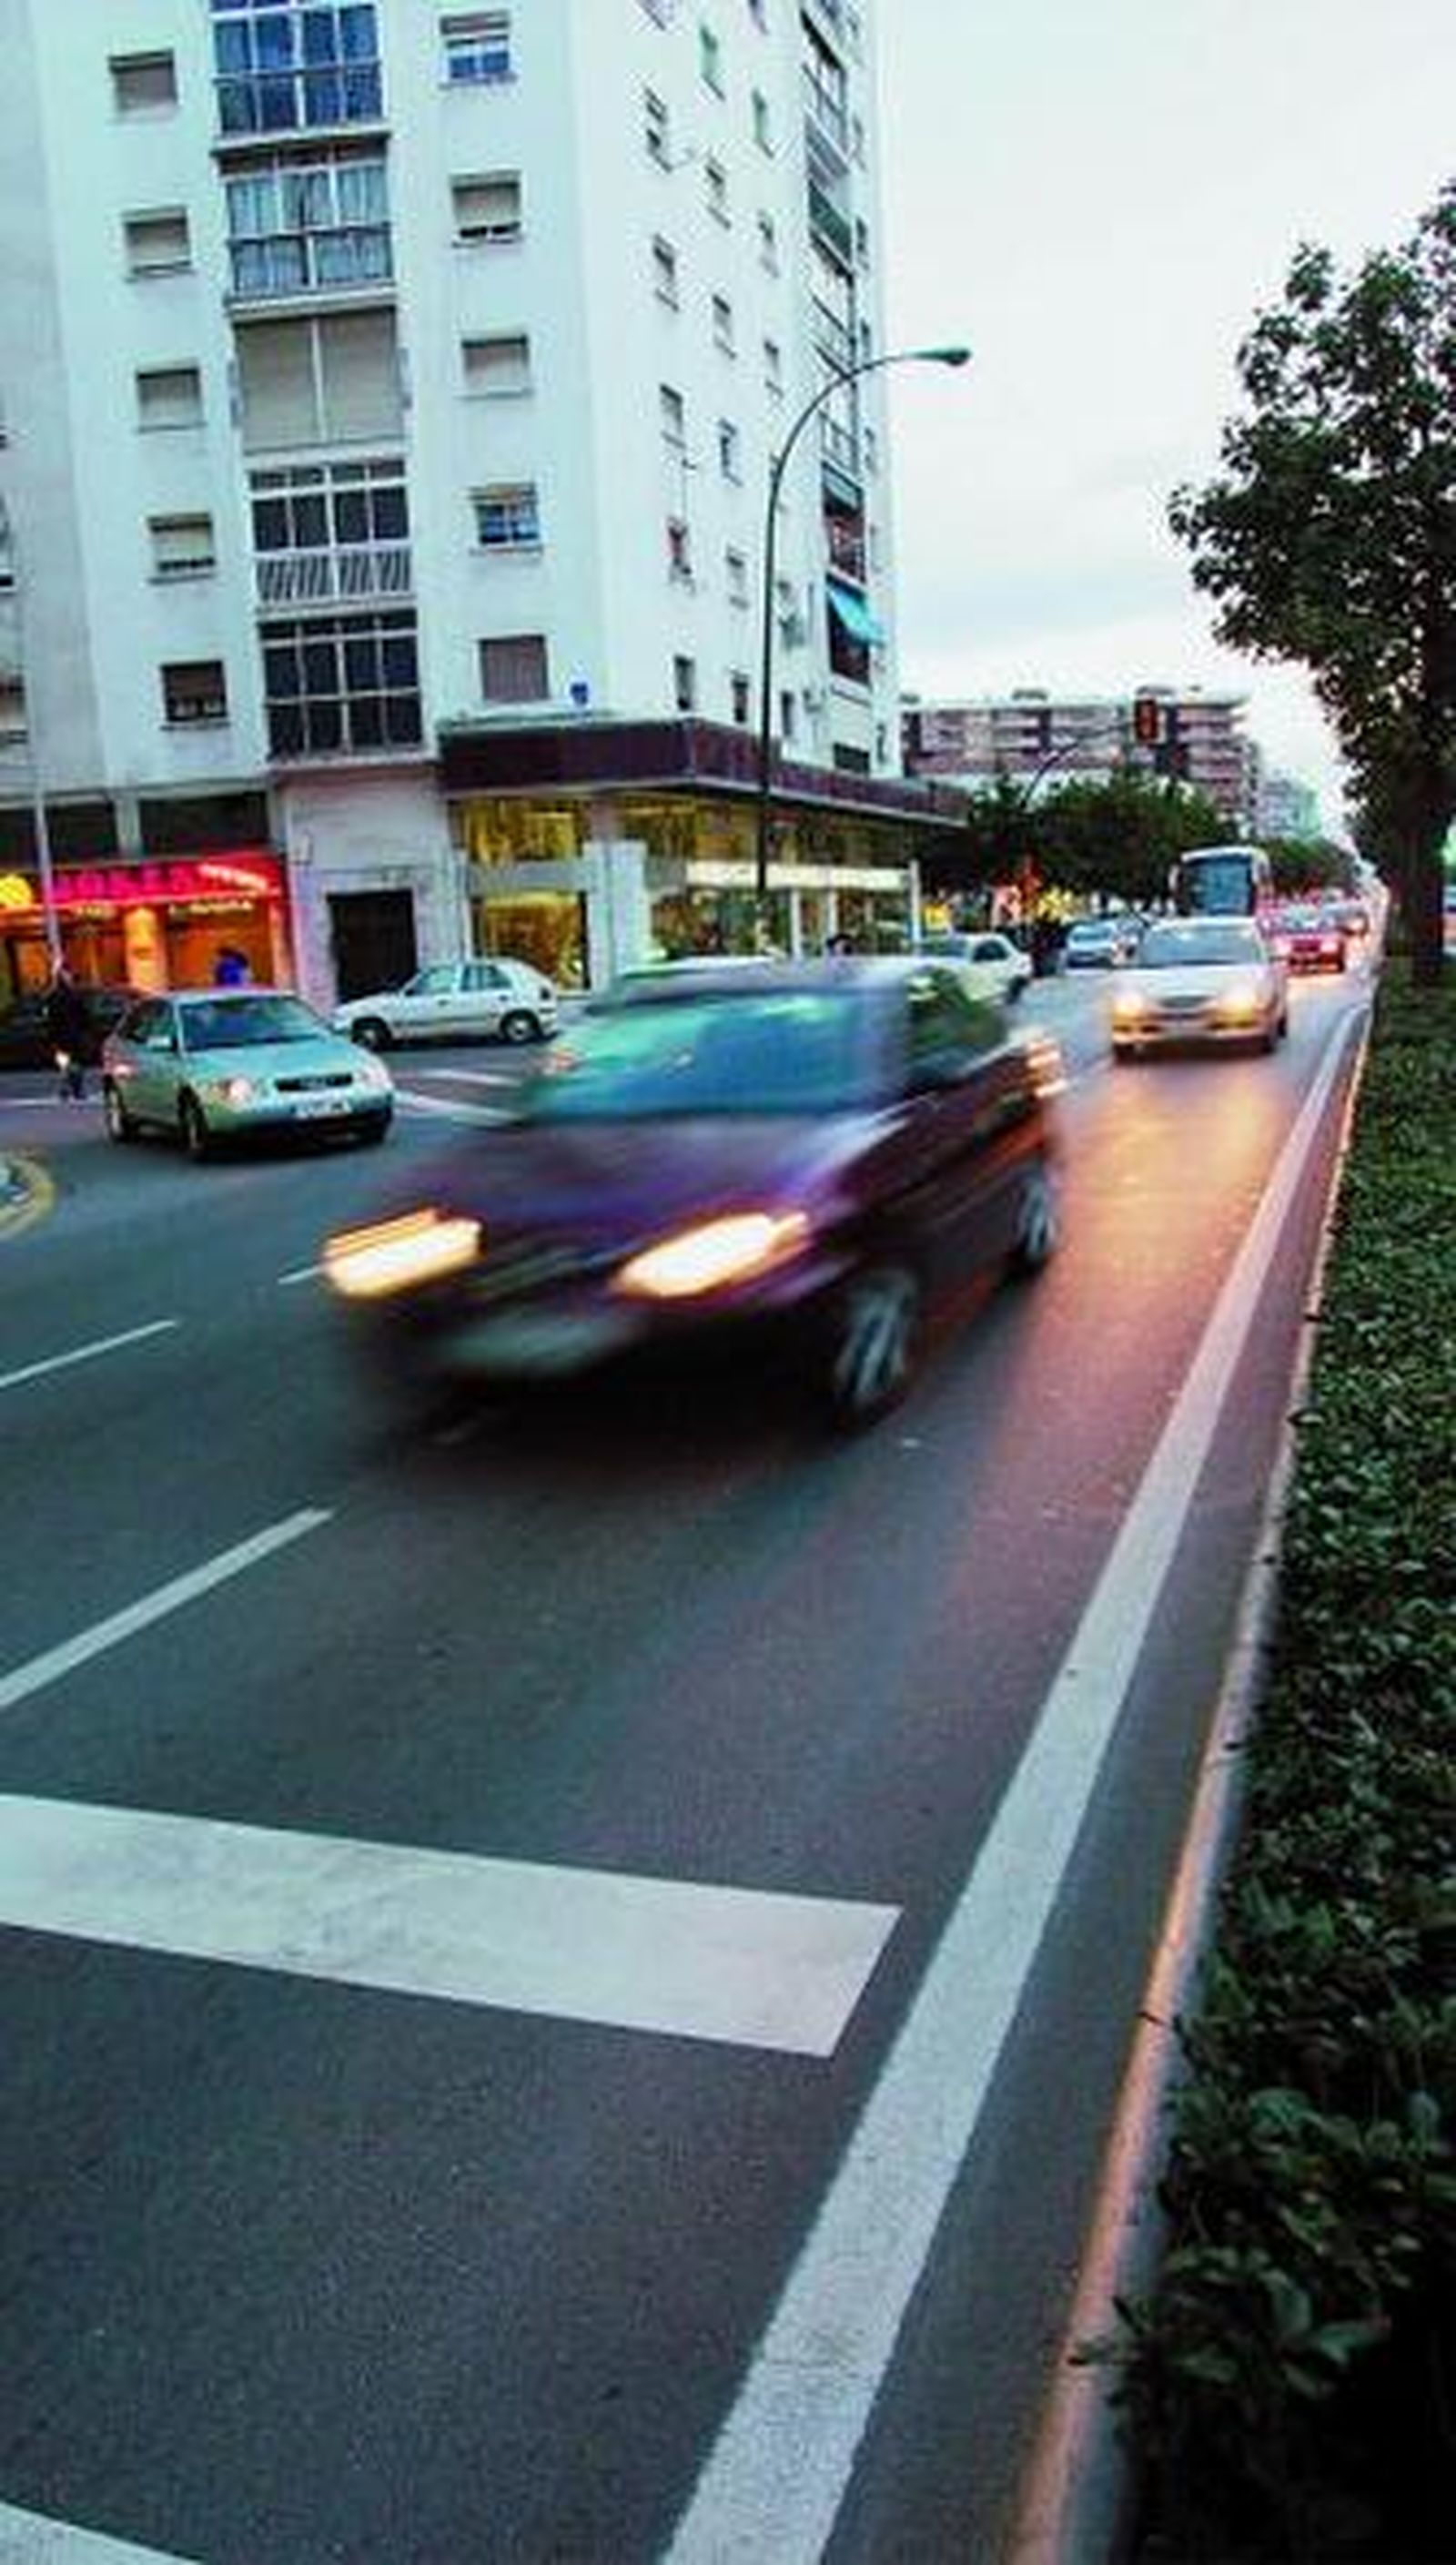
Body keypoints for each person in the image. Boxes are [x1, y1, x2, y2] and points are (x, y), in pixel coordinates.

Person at [45, 965, 93, 1100]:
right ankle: (76, 1089)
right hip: (71, 1034)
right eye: (68, 975)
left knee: (67, 1063)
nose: (69, 978)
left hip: (63, 1035)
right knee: (74, 1062)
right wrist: (86, 1030)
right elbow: (85, 1015)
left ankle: (68, 1088)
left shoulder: (55, 996)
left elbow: (50, 1018)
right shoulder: (73, 995)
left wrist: (51, 1036)